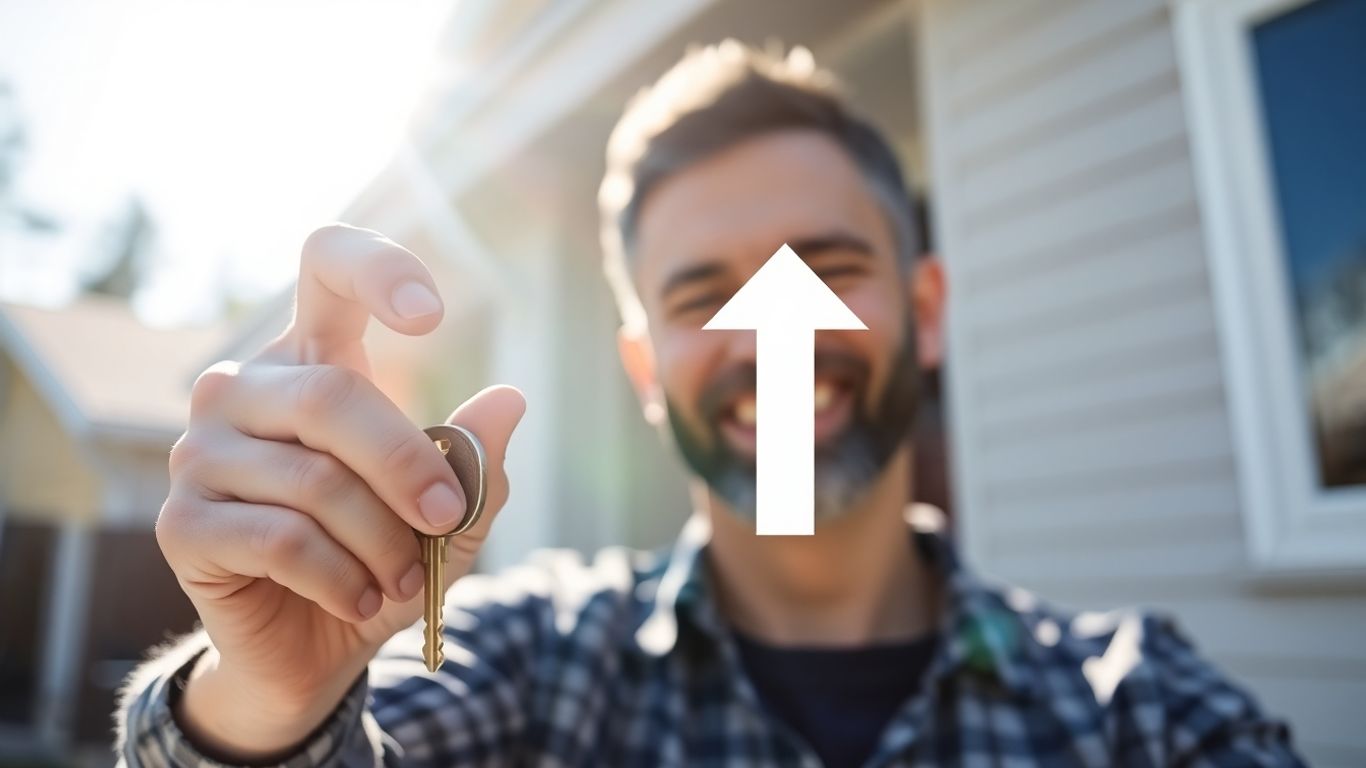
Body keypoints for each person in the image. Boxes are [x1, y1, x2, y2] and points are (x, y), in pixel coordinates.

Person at [116, 41, 1303, 767]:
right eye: (701, 295)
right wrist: (270, 707)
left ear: (926, 309)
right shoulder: (533, 665)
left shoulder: (1139, 709)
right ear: (643, 371)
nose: (771, 335)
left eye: (826, 269)